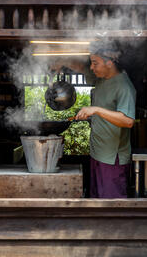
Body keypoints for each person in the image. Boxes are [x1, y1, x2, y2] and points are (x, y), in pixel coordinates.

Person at [51, 39, 136, 198]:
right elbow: (81, 67)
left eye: (95, 63)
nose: (91, 67)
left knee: (110, 207)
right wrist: (61, 61)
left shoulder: (124, 86)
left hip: (112, 159)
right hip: (97, 154)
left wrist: (95, 110)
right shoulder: (102, 79)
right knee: (96, 202)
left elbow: (128, 121)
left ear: (110, 63)